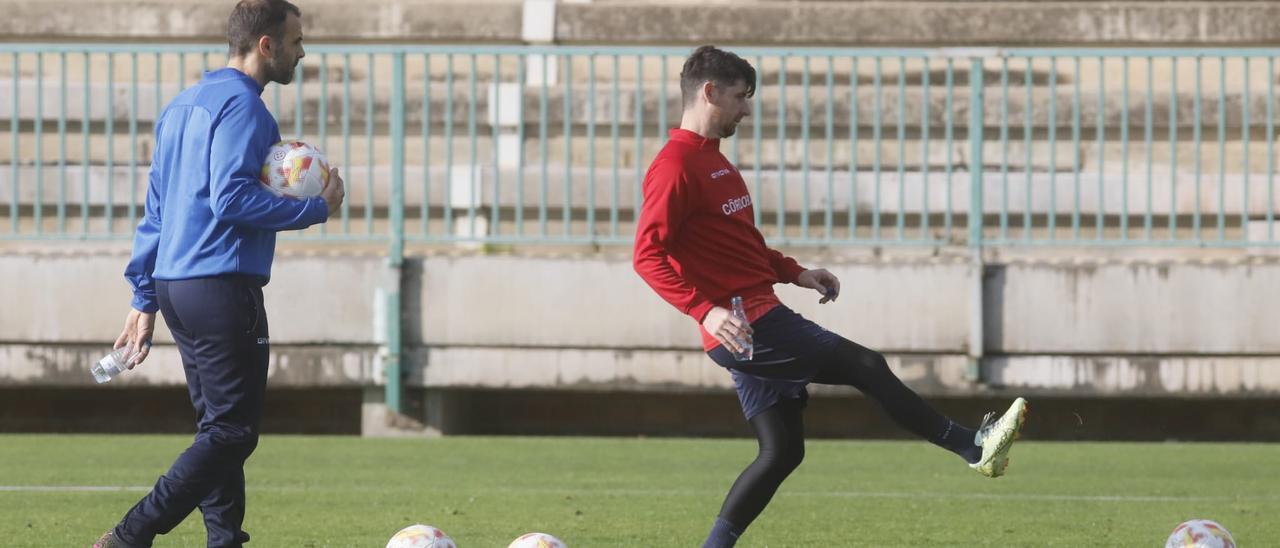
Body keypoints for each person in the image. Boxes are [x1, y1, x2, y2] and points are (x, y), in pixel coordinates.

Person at [632, 45, 1028, 548]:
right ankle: (973, 447)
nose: (746, 110)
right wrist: (704, 311)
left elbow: (741, 247)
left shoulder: (715, 162)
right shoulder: (675, 166)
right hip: (747, 325)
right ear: (709, 92)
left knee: (782, 452)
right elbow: (647, 254)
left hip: (751, 319)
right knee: (867, 365)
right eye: (739, 97)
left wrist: (796, 273)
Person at [94, 1, 344, 546]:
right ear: (266, 45)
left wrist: (143, 297)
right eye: (296, 41)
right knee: (233, 432)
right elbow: (230, 198)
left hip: (176, 287)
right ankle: (130, 535)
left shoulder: (181, 106)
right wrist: (315, 208)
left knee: (218, 429)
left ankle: (224, 540)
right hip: (221, 286)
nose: (303, 52)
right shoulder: (247, 109)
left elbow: (157, 210)